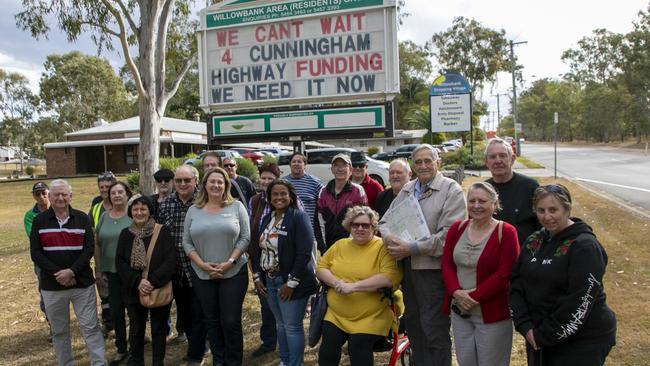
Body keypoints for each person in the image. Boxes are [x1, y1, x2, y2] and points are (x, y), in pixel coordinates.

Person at [509, 184, 617, 366]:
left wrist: (544, 335)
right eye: (541, 210)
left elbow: (579, 299)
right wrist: (526, 327)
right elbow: (516, 283)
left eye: (553, 210)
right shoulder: (534, 240)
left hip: (582, 341)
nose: (547, 216)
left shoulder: (585, 246)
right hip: (537, 335)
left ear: (567, 209)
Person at [379, 144, 466, 366]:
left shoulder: (451, 190)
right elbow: (385, 222)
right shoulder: (408, 188)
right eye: (418, 162)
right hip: (408, 269)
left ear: (438, 162)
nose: (424, 165)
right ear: (413, 165)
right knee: (414, 324)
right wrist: (391, 240)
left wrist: (413, 248)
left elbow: (450, 235)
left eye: (429, 160)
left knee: (433, 328)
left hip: (432, 271)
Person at [441, 182, 520, 366]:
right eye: (472, 201)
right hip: (460, 311)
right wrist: (456, 292)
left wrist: (473, 297)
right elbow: (447, 263)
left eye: (482, 201)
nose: (476, 206)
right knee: (466, 361)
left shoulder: (506, 231)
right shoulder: (457, 229)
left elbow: (505, 273)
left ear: (494, 204)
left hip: (492, 312)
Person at [30, 179, 106, 366]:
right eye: (56, 194)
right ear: (50, 197)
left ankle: (99, 363)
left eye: (64, 194)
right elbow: (36, 253)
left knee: (91, 327)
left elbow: (88, 250)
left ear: (70, 196)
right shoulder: (39, 221)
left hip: (82, 284)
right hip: (52, 286)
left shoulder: (82, 218)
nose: (60, 198)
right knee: (60, 331)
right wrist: (59, 273)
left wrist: (71, 272)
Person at [316, 206, 402, 366]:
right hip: (336, 314)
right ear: (349, 226)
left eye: (365, 225)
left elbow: (390, 277)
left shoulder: (382, 248)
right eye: (355, 225)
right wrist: (336, 283)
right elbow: (321, 267)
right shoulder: (340, 245)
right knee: (327, 349)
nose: (360, 228)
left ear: (374, 227)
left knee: (358, 347)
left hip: (371, 316)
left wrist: (353, 287)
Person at [183, 167, 250, 366]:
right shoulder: (193, 210)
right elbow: (186, 242)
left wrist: (229, 262)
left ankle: (233, 361)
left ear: (226, 185)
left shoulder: (236, 207)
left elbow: (245, 237)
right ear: (204, 184)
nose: (216, 185)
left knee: (230, 321)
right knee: (211, 321)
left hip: (234, 272)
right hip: (203, 274)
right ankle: (219, 360)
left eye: (220, 182)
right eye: (212, 181)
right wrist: (202, 265)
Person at [251, 179, 317, 366]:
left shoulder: (298, 217)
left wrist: (291, 283)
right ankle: (285, 360)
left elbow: (304, 254)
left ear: (290, 196)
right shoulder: (267, 218)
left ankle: (296, 364)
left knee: (292, 326)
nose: (279, 197)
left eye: (283, 194)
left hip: (291, 282)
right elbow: (258, 249)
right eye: (275, 194)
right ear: (269, 198)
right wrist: (257, 277)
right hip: (270, 281)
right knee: (280, 324)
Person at [116, 195, 176, 366]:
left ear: (150, 211)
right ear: (130, 212)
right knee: (136, 329)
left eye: (143, 209)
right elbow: (120, 262)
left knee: (158, 329)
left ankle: (158, 362)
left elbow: (170, 260)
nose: (139, 212)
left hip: (158, 288)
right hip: (133, 289)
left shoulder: (162, 231)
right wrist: (137, 282)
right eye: (135, 209)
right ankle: (136, 361)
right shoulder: (125, 234)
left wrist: (152, 282)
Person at [157, 165, 207, 364]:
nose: (183, 184)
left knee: (199, 313)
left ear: (196, 180)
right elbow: (159, 236)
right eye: (178, 181)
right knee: (184, 315)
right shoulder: (166, 204)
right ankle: (196, 344)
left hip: (200, 267)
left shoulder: (204, 202)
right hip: (175, 270)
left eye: (187, 180)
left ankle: (197, 353)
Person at [95, 182, 133, 365]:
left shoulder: (135, 215)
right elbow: (98, 244)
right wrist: (99, 268)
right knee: (116, 311)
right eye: (113, 193)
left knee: (135, 311)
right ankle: (121, 348)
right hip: (111, 272)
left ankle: (136, 345)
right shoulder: (104, 217)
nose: (117, 195)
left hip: (132, 273)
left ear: (127, 195)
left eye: (120, 192)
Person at [248, 163, 281, 357]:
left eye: (270, 178)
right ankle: (269, 341)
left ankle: (286, 342)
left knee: (283, 305)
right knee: (265, 302)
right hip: (260, 260)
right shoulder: (254, 201)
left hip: (281, 261)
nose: (266, 182)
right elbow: (250, 228)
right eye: (264, 178)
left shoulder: (286, 197)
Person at [485, 138, 540, 245]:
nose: (498, 161)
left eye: (503, 155)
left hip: (525, 254)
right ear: (486, 162)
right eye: (492, 157)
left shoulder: (530, 187)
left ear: (512, 159)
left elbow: (542, 225)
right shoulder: (483, 190)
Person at [315, 153, 367, 252]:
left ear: (350, 170)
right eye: (336, 165)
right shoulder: (323, 192)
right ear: (332, 169)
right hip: (328, 248)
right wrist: (322, 246)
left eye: (344, 165)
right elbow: (318, 221)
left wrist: (351, 244)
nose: (340, 169)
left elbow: (362, 219)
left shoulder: (358, 191)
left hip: (351, 247)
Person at [24, 181, 52, 339]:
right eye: (37, 194)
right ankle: (52, 325)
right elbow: (34, 236)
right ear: (34, 196)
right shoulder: (30, 215)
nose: (41, 196)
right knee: (46, 292)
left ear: (49, 192)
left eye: (44, 192)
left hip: (63, 258)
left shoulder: (59, 208)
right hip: (42, 261)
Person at [282, 152, 324, 228]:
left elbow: (324, 204)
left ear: (305, 165)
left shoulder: (315, 183)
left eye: (299, 162)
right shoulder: (282, 183)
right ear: (290, 165)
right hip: (286, 229)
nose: (296, 164)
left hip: (309, 228)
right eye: (294, 161)